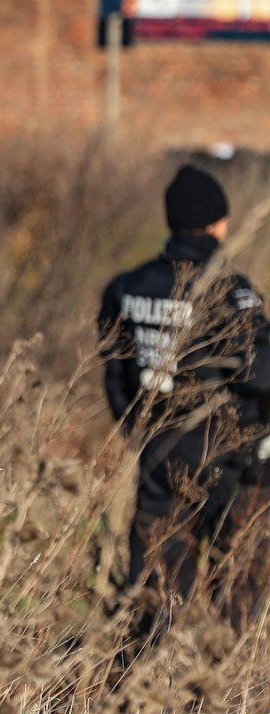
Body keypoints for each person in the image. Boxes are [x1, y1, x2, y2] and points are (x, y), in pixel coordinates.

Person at [99, 164, 270, 654]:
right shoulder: (232, 291)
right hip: (223, 454)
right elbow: (262, 378)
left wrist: (137, 431)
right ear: (218, 224)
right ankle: (227, 670)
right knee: (235, 566)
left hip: (155, 447)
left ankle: (144, 673)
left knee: (155, 567)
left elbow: (115, 372)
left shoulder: (127, 288)